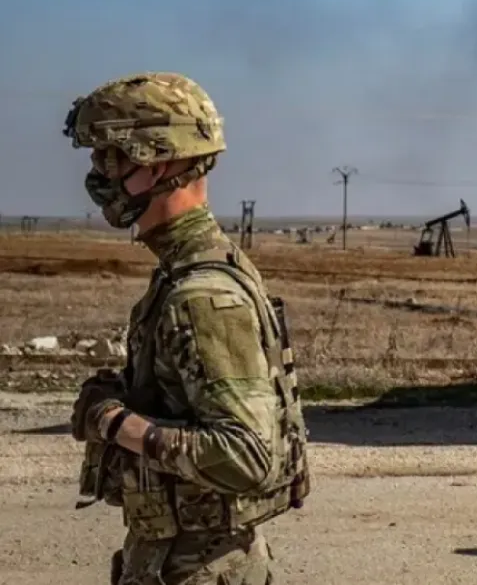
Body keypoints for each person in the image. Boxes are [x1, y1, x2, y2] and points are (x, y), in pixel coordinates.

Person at [63, 72, 310, 585]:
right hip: (177, 559)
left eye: (115, 158)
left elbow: (247, 457)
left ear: (165, 162)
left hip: (195, 566)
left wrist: (114, 422)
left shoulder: (201, 295)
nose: (99, 177)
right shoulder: (189, 268)